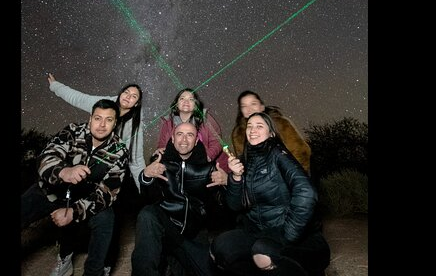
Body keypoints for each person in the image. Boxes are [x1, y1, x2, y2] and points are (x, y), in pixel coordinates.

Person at [210, 112, 331, 276]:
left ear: (271, 133)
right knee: (220, 247)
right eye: (250, 126)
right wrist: (236, 177)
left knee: (263, 252)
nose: (252, 129)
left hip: (289, 234)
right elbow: (234, 205)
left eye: (259, 126)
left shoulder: (277, 153)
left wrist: (289, 234)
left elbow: (307, 192)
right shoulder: (245, 159)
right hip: (258, 231)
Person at [47, 74, 147, 273]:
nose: (128, 96)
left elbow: (136, 160)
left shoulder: (135, 125)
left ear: (136, 104)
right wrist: (56, 86)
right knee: (71, 210)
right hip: (83, 169)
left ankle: (105, 266)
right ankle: (65, 257)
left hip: (111, 176)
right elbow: (78, 97)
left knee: (111, 222)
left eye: (134, 96)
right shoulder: (104, 103)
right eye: (126, 92)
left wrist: (145, 185)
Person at [21, 99, 129, 276]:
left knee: (106, 218)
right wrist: (63, 171)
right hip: (50, 192)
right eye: (97, 118)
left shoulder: (119, 150)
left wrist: (74, 212)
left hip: (83, 199)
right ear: (90, 119)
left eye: (108, 120)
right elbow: (47, 155)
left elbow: (108, 192)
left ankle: (95, 271)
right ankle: (65, 259)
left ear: (115, 123)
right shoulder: (72, 130)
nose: (102, 125)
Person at [132, 122, 227, 276]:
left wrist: (228, 183)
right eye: (179, 134)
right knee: (147, 213)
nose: (184, 139)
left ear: (197, 140)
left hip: (193, 235)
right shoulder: (160, 164)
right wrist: (146, 177)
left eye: (190, 135)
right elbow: (148, 199)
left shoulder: (209, 168)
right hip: (165, 230)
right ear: (172, 138)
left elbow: (223, 206)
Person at [230, 90, 311, 174]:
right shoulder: (238, 134)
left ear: (262, 107)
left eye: (253, 104)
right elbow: (244, 163)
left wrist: (295, 178)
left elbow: (301, 152)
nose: (249, 109)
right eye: (244, 106)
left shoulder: (280, 124)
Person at [155, 87, 228, 168]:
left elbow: (217, 142)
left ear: (196, 105)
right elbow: (162, 144)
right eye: (182, 98)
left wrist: (207, 157)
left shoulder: (206, 119)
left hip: (206, 166)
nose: (186, 101)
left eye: (191, 99)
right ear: (176, 104)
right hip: (178, 167)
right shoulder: (168, 122)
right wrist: (160, 151)